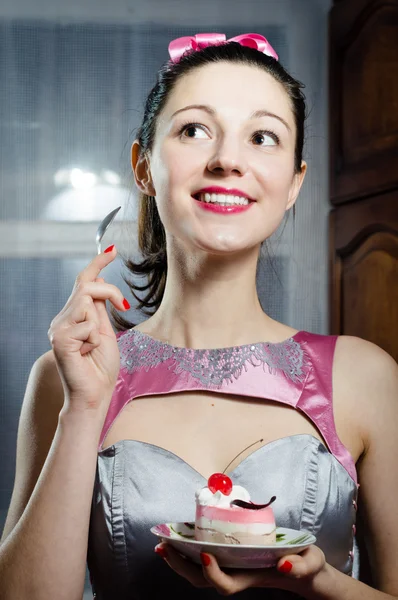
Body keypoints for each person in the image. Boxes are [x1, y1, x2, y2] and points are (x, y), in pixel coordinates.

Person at [0, 32, 397, 600]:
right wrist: (84, 409)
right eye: (194, 129)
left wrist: (323, 584)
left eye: (263, 137)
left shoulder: (364, 377)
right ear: (144, 166)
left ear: (294, 184)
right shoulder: (66, 377)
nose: (228, 160)